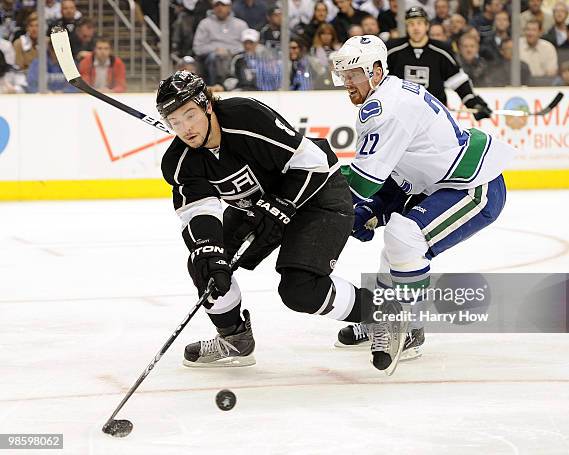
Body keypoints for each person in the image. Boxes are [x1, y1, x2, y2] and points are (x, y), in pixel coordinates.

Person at [156, 71, 400, 373]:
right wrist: (210, 251)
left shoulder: (246, 117)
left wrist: (281, 205)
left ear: (207, 104)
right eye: (175, 122)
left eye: (190, 115)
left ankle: (384, 312)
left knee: (299, 290)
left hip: (317, 195)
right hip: (257, 209)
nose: (185, 129)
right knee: (205, 265)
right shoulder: (179, 161)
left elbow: (314, 162)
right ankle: (235, 339)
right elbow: (197, 212)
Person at [331, 35, 513, 354]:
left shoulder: (387, 108)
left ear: (376, 71)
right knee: (395, 251)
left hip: (474, 187)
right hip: (442, 184)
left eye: (354, 74)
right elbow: (399, 175)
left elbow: (362, 183)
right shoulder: (388, 95)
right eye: (344, 75)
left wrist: (329, 201)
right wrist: (373, 211)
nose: (347, 82)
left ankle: (410, 327)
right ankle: (382, 318)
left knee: (404, 238)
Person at [386, 7, 492, 120]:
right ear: (407, 27)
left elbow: (458, 82)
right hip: (402, 116)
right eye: (411, 24)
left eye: (419, 23)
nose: (415, 27)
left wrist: (474, 103)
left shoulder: (441, 51)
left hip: (433, 117)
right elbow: (381, 82)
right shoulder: (392, 50)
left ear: (427, 26)